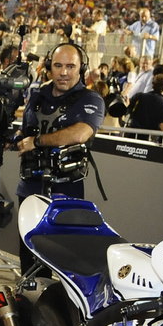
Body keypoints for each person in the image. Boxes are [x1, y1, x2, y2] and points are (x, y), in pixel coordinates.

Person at [13, 41, 104, 205]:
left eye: (70, 66)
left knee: (62, 232)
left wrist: (37, 141)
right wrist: (12, 141)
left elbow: (80, 134)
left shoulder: (91, 99)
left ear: (81, 69)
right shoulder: (37, 95)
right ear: (49, 67)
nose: (63, 72)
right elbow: (25, 130)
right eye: (58, 65)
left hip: (66, 191)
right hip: (29, 188)